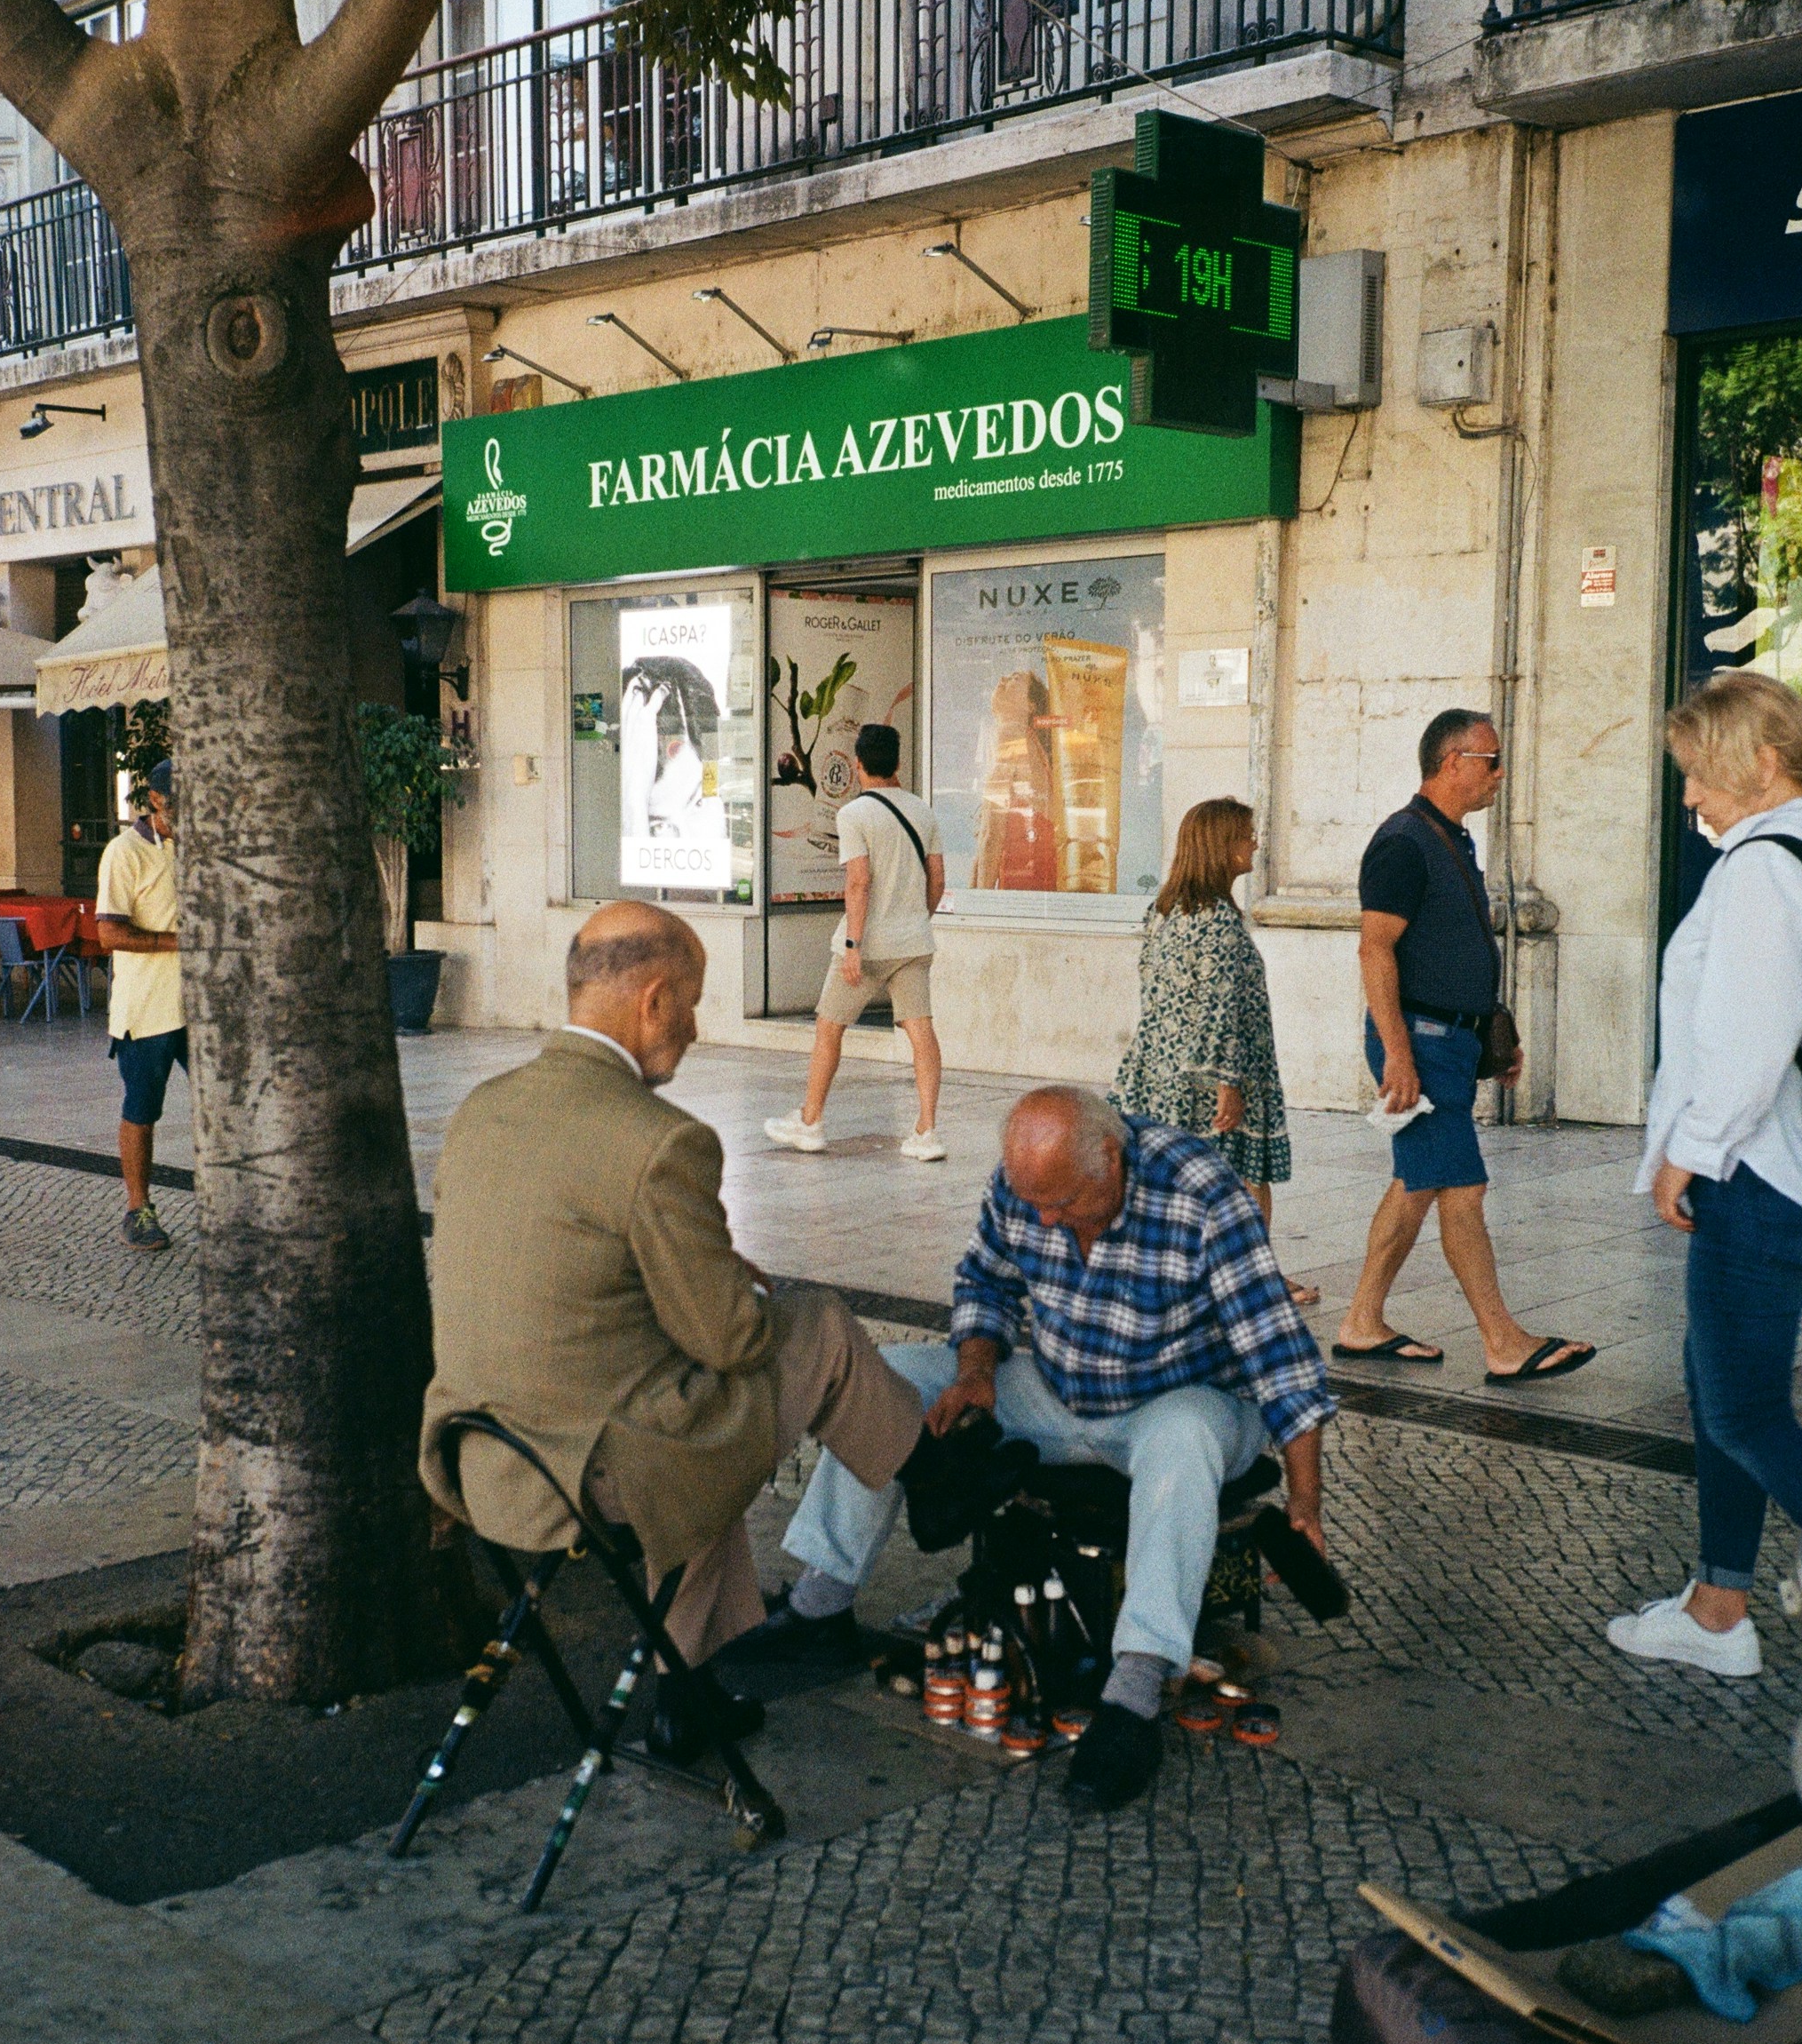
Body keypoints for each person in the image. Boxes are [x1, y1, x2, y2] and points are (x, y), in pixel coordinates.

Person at [420, 901, 1033, 1766]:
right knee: (809, 1329)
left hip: (482, 1457)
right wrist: (729, 1288)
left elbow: (559, 1275)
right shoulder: (657, 1138)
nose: (698, 1027)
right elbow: (733, 1339)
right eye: (696, 1001)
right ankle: (934, 1482)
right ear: (656, 998)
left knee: (701, 1424)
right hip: (591, 1472)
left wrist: (691, 1264)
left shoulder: (485, 1106)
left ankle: (689, 1692)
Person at [742, 1084, 1332, 1813]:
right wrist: (977, 1373)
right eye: (1036, 1204)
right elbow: (984, 1281)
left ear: (1110, 1158)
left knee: (1182, 1438)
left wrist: (1304, 1499)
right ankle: (819, 1606)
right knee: (886, 1379)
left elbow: (1279, 1357)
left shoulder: (1200, 1190)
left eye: (1063, 1204)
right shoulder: (1024, 1184)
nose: (1047, 1219)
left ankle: (1134, 1692)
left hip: (1185, 1401)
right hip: (1056, 1389)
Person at [1609, 673, 1802, 1678]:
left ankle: (1718, 1612)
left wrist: (1686, 1156)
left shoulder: (1758, 869)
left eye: (1698, 776)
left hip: (1762, 1174)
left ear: (1758, 760)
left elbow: (1743, 1048)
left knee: (1741, 1411)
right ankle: (1715, 1609)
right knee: (1718, 1394)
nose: (1691, 799)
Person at [1336, 709, 1595, 1386]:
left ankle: (1362, 1321)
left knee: (1416, 1186)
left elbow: (1452, 945)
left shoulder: (1448, 839)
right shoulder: (1402, 842)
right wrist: (1396, 1054)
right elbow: (1374, 948)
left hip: (1448, 1042)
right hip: (1417, 1045)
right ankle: (1502, 1341)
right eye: (1490, 759)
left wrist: (1493, 1030)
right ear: (1451, 761)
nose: (1499, 774)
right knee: (1463, 1189)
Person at [1114, 795, 1316, 1307]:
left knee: (1171, 1181)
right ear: (1222, 848)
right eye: (1246, 835)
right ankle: (1253, 1281)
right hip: (1216, 1073)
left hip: (1161, 1067)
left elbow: (1152, 989)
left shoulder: (1164, 911)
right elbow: (1220, 1004)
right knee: (1249, 1176)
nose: (1255, 843)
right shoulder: (1220, 923)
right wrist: (1228, 1081)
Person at [765, 723, 948, 1162]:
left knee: (830, 1028)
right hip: (913, 943)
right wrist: (915, 920)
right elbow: (938, 879)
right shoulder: (922, 811)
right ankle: (926, 1132)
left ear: (859, 765)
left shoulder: (853, 814)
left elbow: (859, 881)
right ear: (898, 764)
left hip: (866, 947)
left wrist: (852, 944)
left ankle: (811, 1123)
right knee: (921, 1032)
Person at [94, 757, 185, 1253]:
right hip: (147, 1008)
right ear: (155, 800)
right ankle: (138, 1209)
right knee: (142, 1109)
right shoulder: (124, 852)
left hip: (206, 1009)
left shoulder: (206, 846)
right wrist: (181, 943)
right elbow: (107, 932)